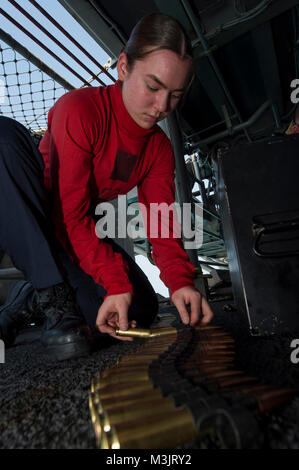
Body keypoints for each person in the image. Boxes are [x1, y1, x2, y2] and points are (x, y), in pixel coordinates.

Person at [0, 13, 214, 360]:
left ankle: (27, 300)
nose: (162, 107)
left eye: (175, 95)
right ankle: (50, 293)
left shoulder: (158, 148)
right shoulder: (80, 109)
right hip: (33, 211)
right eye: (153, 86)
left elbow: (160, 221)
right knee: (3, 137)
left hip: (75, 230)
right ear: (124, 67)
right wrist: (114, 280)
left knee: (137, 310)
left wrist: (180, 281)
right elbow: (66, 213)